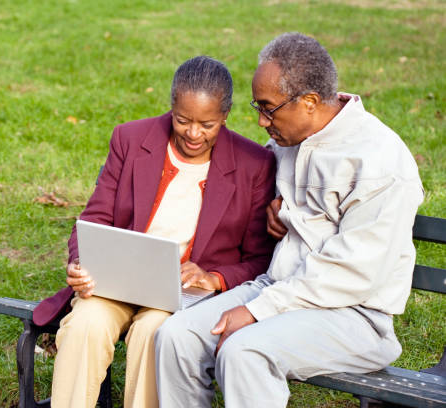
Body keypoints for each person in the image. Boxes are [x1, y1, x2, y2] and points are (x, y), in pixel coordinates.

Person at [155, 33, 424, 407]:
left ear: (310, 102)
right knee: (175, 335)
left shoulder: (378, 163)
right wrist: (274, 205)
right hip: (277, 288)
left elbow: (352, 272)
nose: (262, 122)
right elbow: (261, 187)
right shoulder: (291, 137)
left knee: (244, 351)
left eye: (268, 109)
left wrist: (255, 310)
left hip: (355, 315)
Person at [32, 56, 277, 408]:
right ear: (171, 106)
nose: (194, 134)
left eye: (207, 124)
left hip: (179, 296)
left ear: (225, 115)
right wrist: (82, 262)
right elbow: (95, 217)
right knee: (86, 323)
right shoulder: (131, 139)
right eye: (182, 120)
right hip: (118, 280)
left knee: (153, 333)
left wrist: (214, 277)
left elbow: (260, 258)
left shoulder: (254, 164)